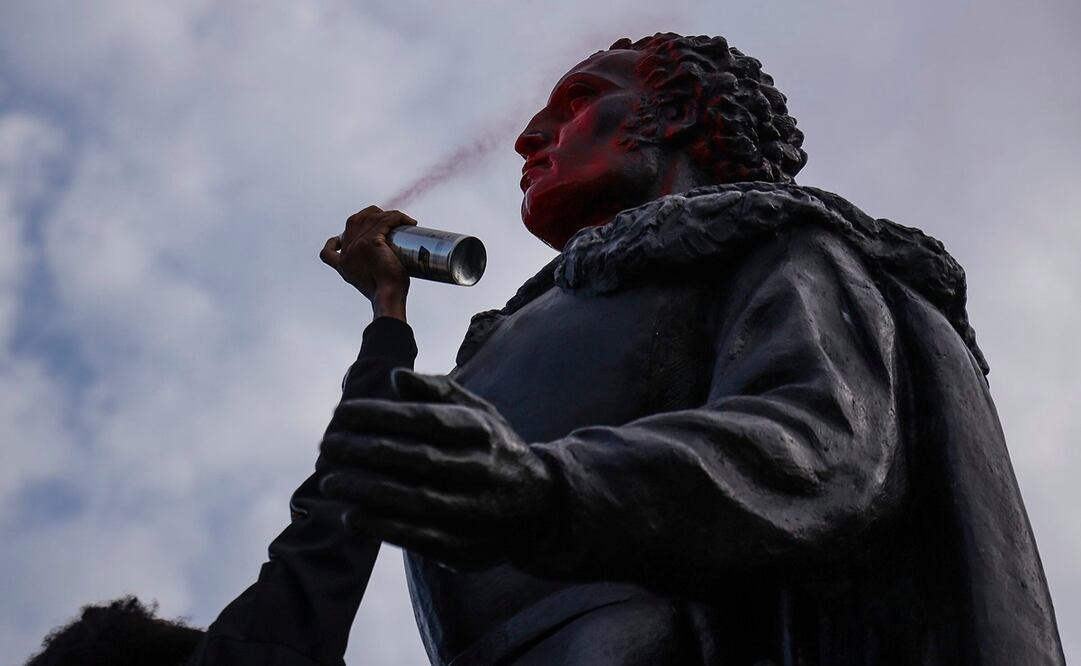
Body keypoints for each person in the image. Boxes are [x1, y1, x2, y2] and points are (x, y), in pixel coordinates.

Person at [187, 33, 1065, 665]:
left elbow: (824, 451)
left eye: (573, 107)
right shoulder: (516, 335)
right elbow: (337, 527)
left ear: (676, 113)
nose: (530, 140)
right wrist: (388, 307)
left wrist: (542, 489)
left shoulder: (781, 248)